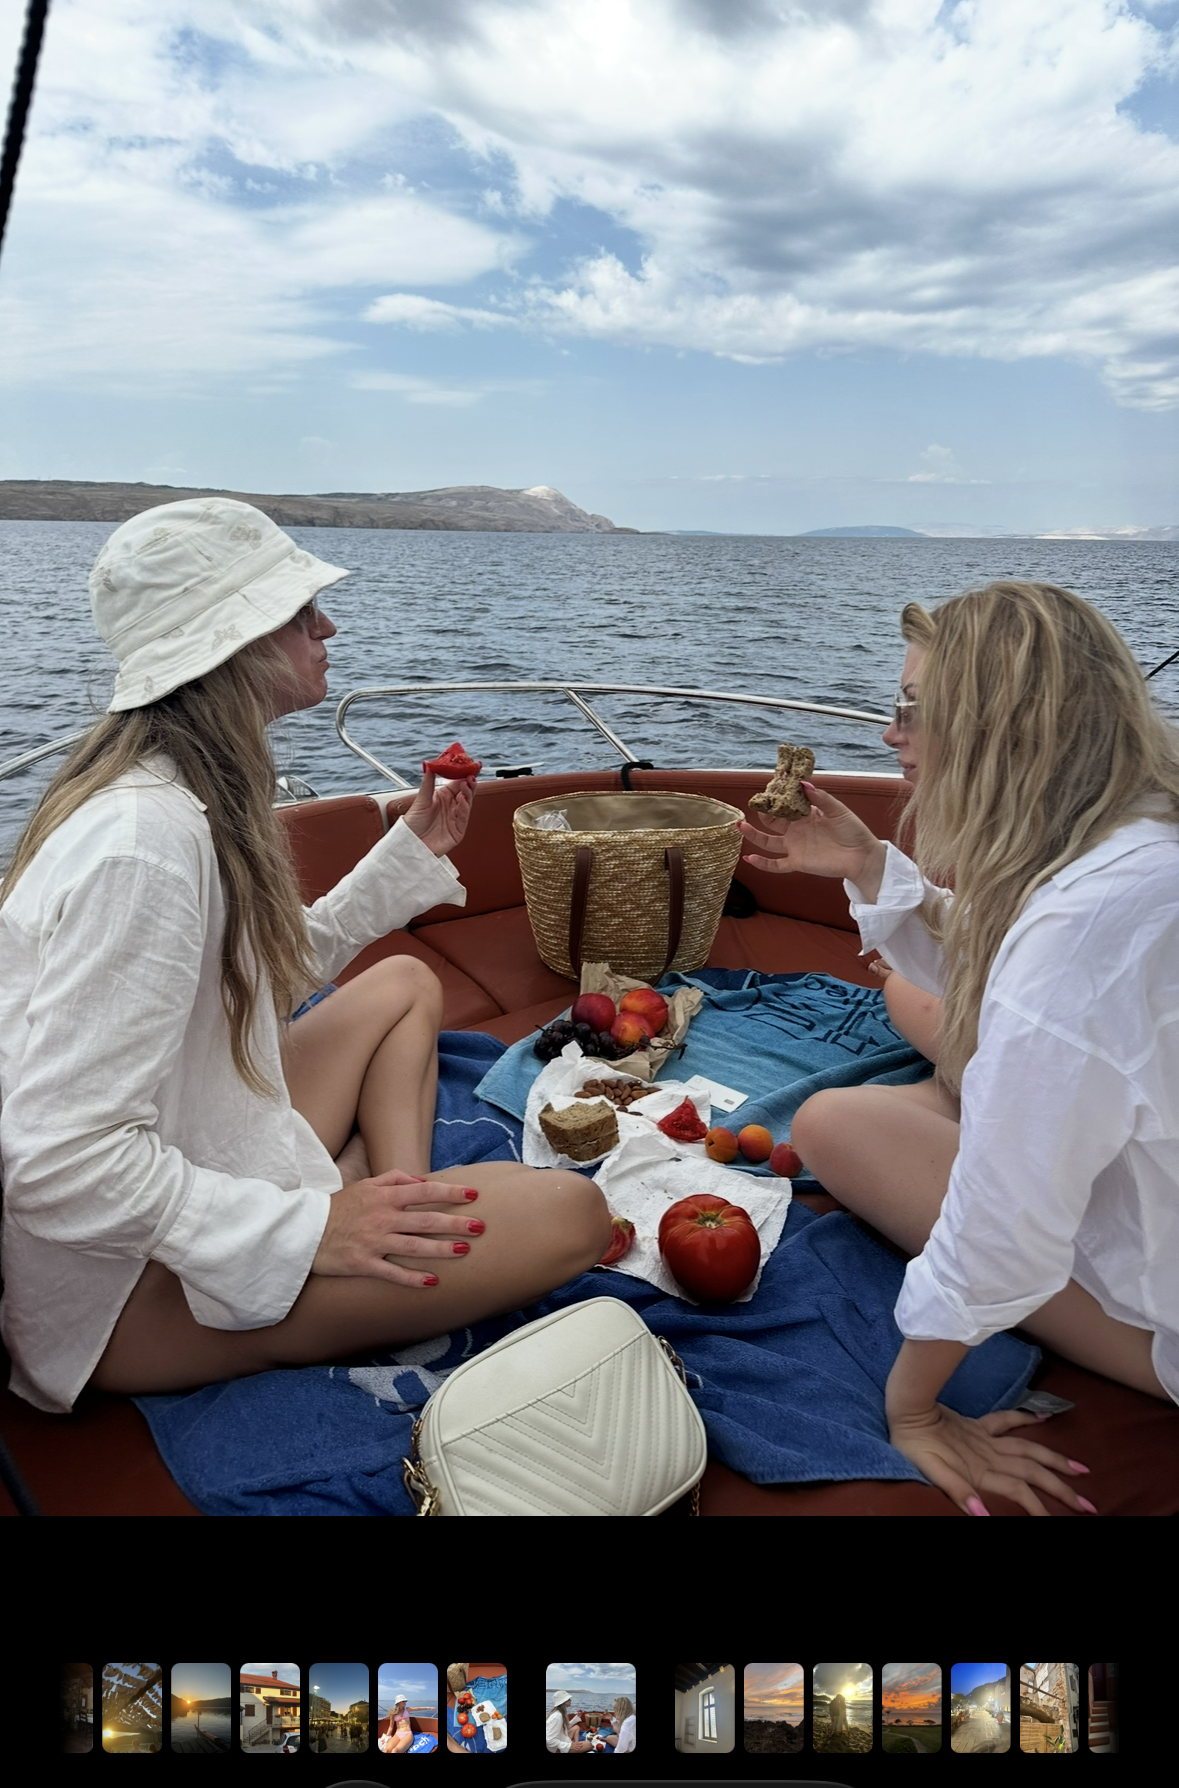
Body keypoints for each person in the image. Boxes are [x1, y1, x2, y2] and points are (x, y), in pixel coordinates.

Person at [0, 499, 609, 1415]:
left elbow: (257, 981)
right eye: (296, 612)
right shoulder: (142, 845)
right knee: (574, 1217)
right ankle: (377, 1236)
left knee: (404, 982)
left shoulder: (190, 794)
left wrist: (410, 853)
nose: (326, 625)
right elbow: (55, 1165)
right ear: (233, 645)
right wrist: (314, 1227)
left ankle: (400, 1206)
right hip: (119, 1293)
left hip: (192, 1136)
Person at [740, 580, 1179, 1515]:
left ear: (998, 729)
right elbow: (1003, 949)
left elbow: (1000, 1229)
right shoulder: (1139, 843)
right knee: (900, 1054)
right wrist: (866, 865)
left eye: (909, 708)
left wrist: (914, 1412)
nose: (890, 732)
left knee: (829, 1123)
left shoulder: (1088, 929)